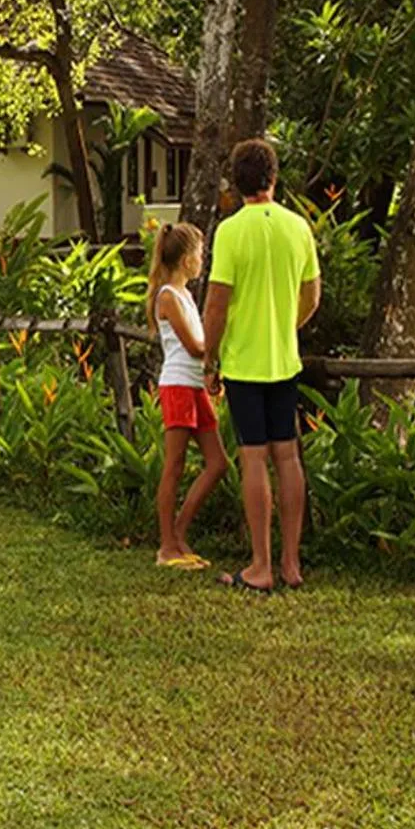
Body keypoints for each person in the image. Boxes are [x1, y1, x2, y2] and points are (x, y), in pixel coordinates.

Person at [202, 138, 319, 593]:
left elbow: (216, 304)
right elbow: (312, 294)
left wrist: (210, 358)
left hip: (245, 363)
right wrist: (286, 325)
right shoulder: (297, 227)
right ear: (273, 177)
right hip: (284, 360)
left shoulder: (231, 231)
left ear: (236, 181)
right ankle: (291, 563)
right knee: (287, 456)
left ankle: (260, 565)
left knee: (254, 458)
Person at [147, 221, 229, 570]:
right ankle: (167, 547)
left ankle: (179, 533)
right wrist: (222, 343)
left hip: (194, 386)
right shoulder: (167, 296)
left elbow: (201, 351)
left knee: (218, 463)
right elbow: (195, 346)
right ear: (185, 260)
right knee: (175, 466)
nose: (203, 259)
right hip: (178, 386)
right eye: (199, 253)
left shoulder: (186, 297)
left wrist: (212, 371)